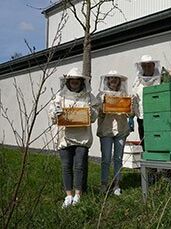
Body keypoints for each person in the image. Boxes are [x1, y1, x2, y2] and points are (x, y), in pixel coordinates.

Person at [49, 67, 99, 208]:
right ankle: (68, 195)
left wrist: (91, 112)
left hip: (82, 136)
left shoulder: (89, 97)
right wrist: (55, 112)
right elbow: (52, 112)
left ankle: (78, 194)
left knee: (79, 166)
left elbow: (96, 112)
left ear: (81, 82)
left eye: (77, 81)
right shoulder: (60, 96)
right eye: (72, 81)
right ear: (68, 82)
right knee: (66, 166)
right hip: (65, 136)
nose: (75, 83)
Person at [96, 70, 131, 196]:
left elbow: (130, 113)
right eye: (111, 79)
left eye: (116, 79)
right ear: (107, 81)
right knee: (105, 159)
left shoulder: (124, 94)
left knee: (118, 159)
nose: (113, 81)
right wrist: (103, 109)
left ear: (119, 81)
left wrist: (128, 108)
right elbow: (95, 113)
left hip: (121, 130)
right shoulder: (101, 95)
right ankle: (104, 184)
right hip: (106, 130)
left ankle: (117, 185)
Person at [130, 55, 161, 149]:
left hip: (157, 117)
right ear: (141, 67)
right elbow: (134, 99)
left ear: (153, 65)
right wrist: (131, 116)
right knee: (145, 146)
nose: (147, 68)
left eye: (149, 65)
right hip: (142, 118)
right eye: (144, 66)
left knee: (158, 143)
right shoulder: (137, 82)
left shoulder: (161, 80)